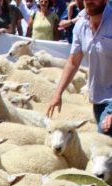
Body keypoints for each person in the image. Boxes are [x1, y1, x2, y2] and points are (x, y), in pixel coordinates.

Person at [47, 0, 112, 136]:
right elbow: (73, 62)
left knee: (104, 140)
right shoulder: (81, 25)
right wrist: (58, 93)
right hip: (97, 98)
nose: (89, 1)